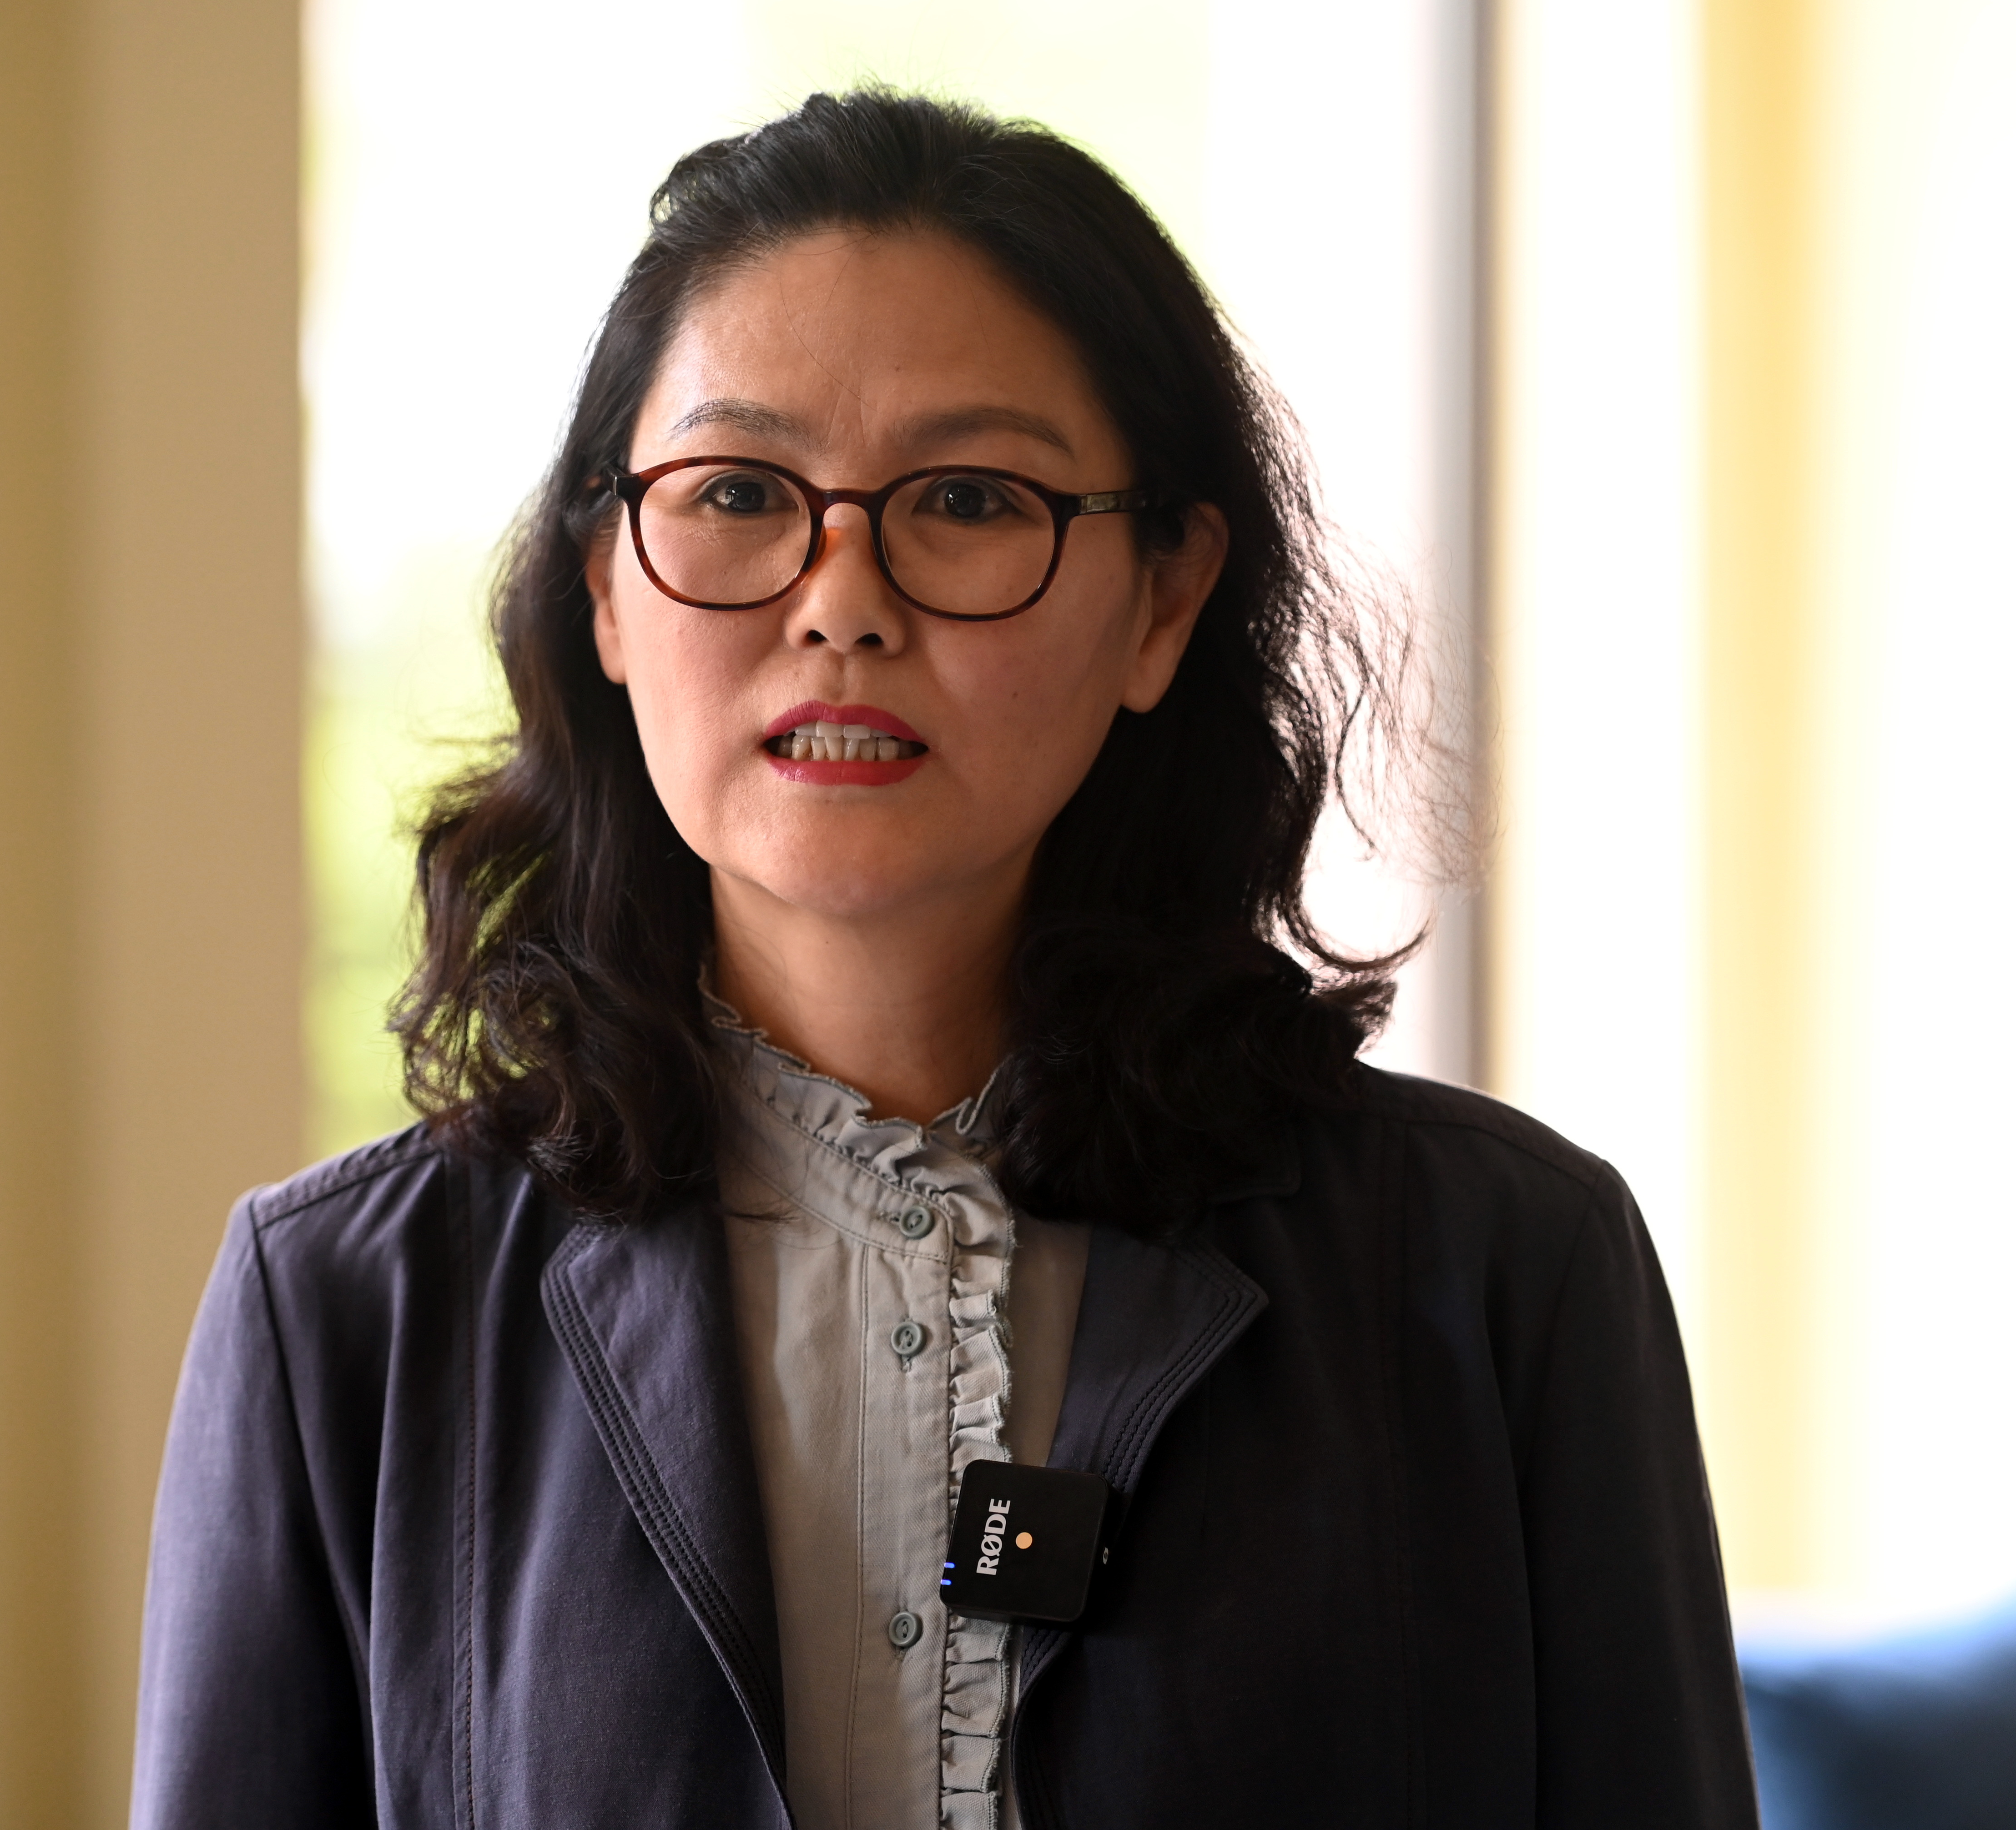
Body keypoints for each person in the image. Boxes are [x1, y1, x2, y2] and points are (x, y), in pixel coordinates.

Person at [131, 89, 1756, 1829]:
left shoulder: (1509, 1272)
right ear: (608, 588)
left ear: (1162, 601)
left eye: (970, 498)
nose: (842, 599)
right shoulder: (342, 1314)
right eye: (738, 491)